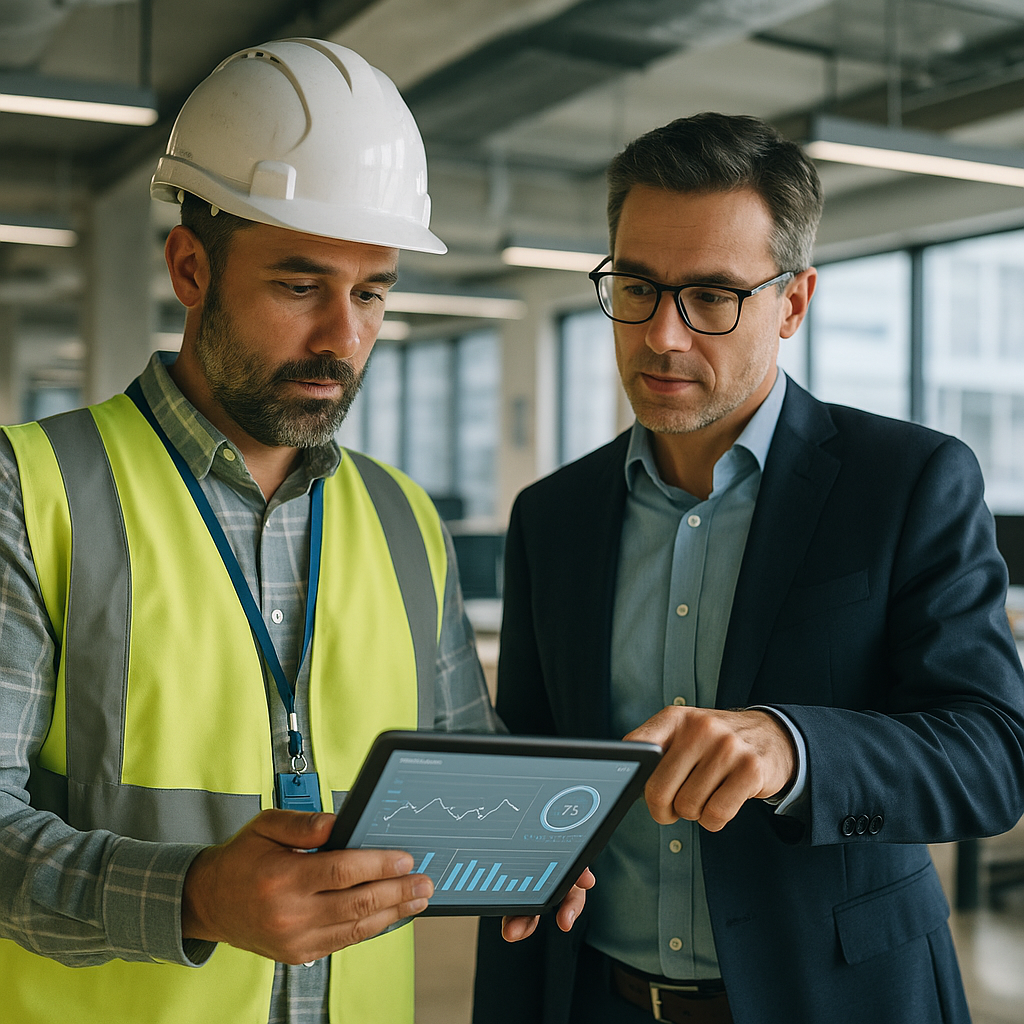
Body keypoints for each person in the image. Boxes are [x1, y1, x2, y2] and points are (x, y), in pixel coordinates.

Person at [0, 38, 588, 1024]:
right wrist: (193, 896)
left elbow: (459, 772)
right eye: (299, 285)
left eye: (371, 292)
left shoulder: (405, 518)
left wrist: (529, 848)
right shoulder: (31, 490)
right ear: (191, 268)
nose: (342, 338)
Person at [473, 112, 1024, 1024]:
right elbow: (535, 764)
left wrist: (792, 748)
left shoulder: (907, 481)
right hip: (599, 999)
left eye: (712, 296)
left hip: (839, 999)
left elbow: (993, 755)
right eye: (638, 288)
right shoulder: (552, 516)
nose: (663, 335)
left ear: (793, 303)